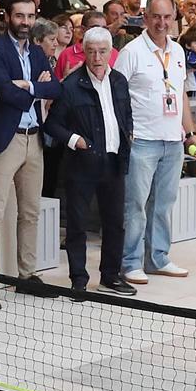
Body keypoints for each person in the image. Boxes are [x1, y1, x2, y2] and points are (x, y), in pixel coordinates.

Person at [0, 0, 60, 311]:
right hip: (4, 140)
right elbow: (0, 88)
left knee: (31, 211)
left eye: (30, 16)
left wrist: (29, 86)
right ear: (9, 16)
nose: (25, 22)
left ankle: (27, 274)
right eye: (20, 16)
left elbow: (56, 89)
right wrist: (32, 88)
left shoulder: (36, 53)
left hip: (33, 139)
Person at [48, 27, 135, 293]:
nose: (97, 57)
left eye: (102, 51)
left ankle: (110, 275)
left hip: (113, 161)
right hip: (82, 164)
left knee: (114, 222)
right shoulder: (71, 86)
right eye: (91, 51)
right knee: (77, 224)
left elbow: (126, 113)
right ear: (83, 52)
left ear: (111, 52)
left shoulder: (119, 81)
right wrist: (76, 141)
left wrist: (128, 134)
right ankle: (78, 279)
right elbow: (52, 124)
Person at [115, 0, 191, 282]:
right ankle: (130, 261)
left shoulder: (179, 52)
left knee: (164, 202)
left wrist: (190, 132)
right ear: (145, 17)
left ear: (174, 19)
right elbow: (117, 95)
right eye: (156, 16)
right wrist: (126, 135)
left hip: (173, 140)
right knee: (136, 204)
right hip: (142, 140)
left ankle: (158, 257)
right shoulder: (131, 52)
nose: (162, 23)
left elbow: (180, 92)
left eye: (167, 17)